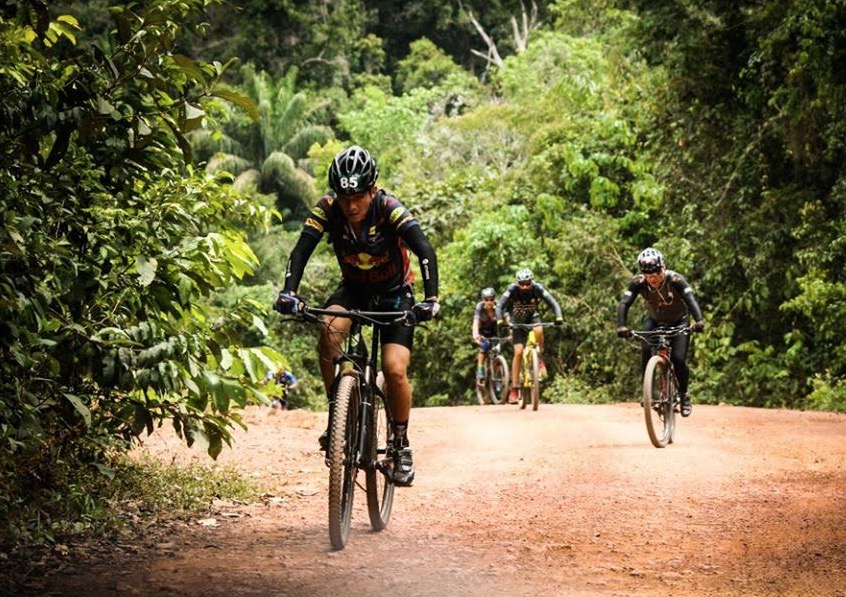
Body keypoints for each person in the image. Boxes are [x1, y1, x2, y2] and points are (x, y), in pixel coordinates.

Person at [273, 145, 439, 487]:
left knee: (394, 369)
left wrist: (430, 298)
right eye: (344, 196)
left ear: (372, 190)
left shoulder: (389, 209)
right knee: (330, 327)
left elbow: (424, 249)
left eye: (359, 196)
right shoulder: (328, 209)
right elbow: (301, 250)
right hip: (354, 289)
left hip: (395, 294)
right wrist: (289, 291)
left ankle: (400, 445)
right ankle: (338, 414)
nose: (351, 205)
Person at [616, 247, 705, 417]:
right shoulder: (638, 283)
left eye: (656, 274)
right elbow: (624, 303)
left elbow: (690, 299)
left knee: (678, 359)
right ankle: (648, 392)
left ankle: (684, 395)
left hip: (680, 320)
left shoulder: (676, 280)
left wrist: (699, 321)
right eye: (648, 275)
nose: (652, 279)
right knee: (645, 349)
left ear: (662, 268)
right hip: (655, 321)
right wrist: (622, 326)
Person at [496, 268, 563, 404]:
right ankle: (514, 388)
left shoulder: (538, 288)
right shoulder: (512, 289)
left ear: (532, 282)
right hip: (517, 322)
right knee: (518, 352)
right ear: (517, 283)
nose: (525, 287)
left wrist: (559, 316)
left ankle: (539, 356)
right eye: (522, 284)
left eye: (528, 283)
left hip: (533, 318)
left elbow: (553, 302)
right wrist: (500, 321)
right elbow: (500, 306)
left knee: (539, 330)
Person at [472, 287, 499, 385]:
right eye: (486, 300)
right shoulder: (479, 308)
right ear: (483, 300)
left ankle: (497, 376)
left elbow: (506, 318)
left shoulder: (499, 307)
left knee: (497, 353)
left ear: (494, 299)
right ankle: (480, 369)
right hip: (483, 333)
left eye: (491, 299)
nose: (489, 302)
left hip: (496, 333)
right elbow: (475, 322)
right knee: (485, 346)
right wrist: (475, 334)